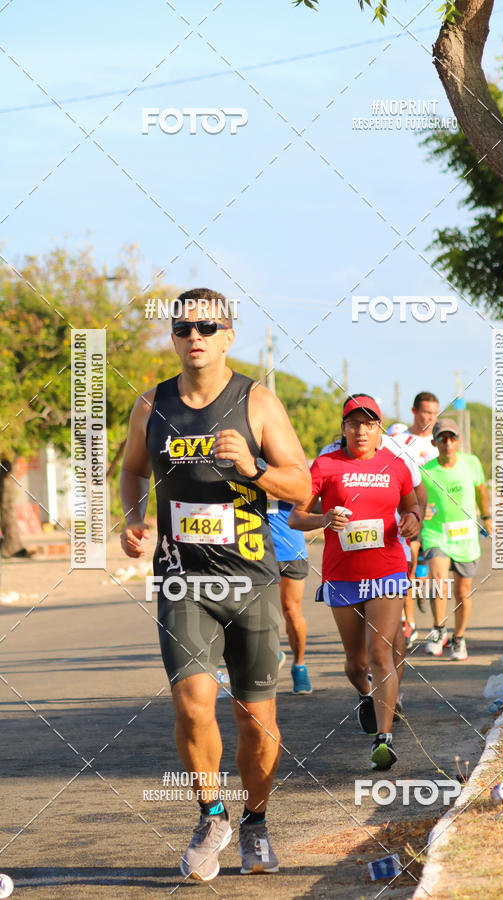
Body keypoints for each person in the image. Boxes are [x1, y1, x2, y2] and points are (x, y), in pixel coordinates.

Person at [120, 288, 311, 882]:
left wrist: (254, 469)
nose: (194, 336)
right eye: (183, 328)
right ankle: (211, 815)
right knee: (191, 702)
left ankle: (255, 821)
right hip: (182, 580)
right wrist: (133, 519)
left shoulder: (257, 402)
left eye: (207, 326)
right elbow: (130, 470)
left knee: (256, 720)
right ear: (173, 338)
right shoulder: (151, 406)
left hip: (251, 581)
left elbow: (302, 487)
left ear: (229, 335)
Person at [289, 395, 420, 771]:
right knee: (355, 663)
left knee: (381, 654)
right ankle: (366, 695)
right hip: (342, 574)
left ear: (379, 430)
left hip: (388, 570)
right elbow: (297, 517)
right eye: (353, 423)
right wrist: (324, 519)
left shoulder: (395, 464)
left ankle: (384, 739)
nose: (360, 431)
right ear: (343, 428)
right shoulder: (326, 465)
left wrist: (413, 520)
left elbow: (412, 506)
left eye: (368, 424)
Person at [420, 418, 490, 661]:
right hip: (436, 533)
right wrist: (421, 512)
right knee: (438, 579)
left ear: (459, 441)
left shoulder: (471, 463)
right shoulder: (426, 471)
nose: (447, 443)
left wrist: (488, 517)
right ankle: (439, 630)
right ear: (434, 442)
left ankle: (459, 638)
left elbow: (481, 491)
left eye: (452, 438)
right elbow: (416, 501)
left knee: (462, 592)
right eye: (442, 438)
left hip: (465, 536)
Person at [387, 392, 440, 641]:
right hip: (411, 513)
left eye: (434, 413)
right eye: (426, 412)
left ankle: (437, 625)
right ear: (414, 411)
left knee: (437, 572)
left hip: (438, 517)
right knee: (407, 566)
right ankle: (409, 623)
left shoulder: (441, 441)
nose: (430, 418)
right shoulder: (397, 440)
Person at [266, 497, 312, 693]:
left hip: (290, 549)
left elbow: (301, 493)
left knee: (291, 611)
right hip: (254, 550)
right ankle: (271, 654)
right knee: (258, 610)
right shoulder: (241, 466)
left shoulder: (289, 467)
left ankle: (299, 666)